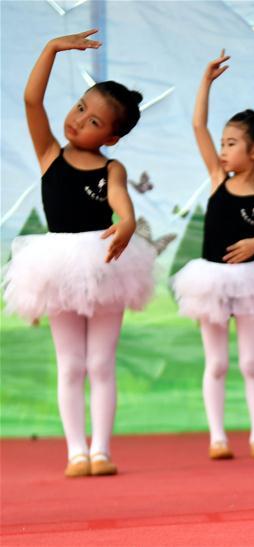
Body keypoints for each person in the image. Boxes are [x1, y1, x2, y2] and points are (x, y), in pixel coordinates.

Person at [3, 29, 154, 477]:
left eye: (93, 121)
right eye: (81, 107)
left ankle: (102, 450)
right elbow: (32, 101)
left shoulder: (112, 167)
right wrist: (50, 48)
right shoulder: (50, 154)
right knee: (70, 364)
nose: (79, 119)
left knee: (100, 362)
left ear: (113, 137)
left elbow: (122, 203)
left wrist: (126, 223)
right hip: (57, 265)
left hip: (106, 262)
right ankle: (75, 451)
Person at [172, 51, 254, 459]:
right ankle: (217, 437)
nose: (222, 149)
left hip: (251, 280)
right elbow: (198, 125)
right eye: (222, 143)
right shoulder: (218, 178)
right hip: (211, 279)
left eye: (231, 143)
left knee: (251, 363)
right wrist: (206, 81)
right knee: (217, 363)